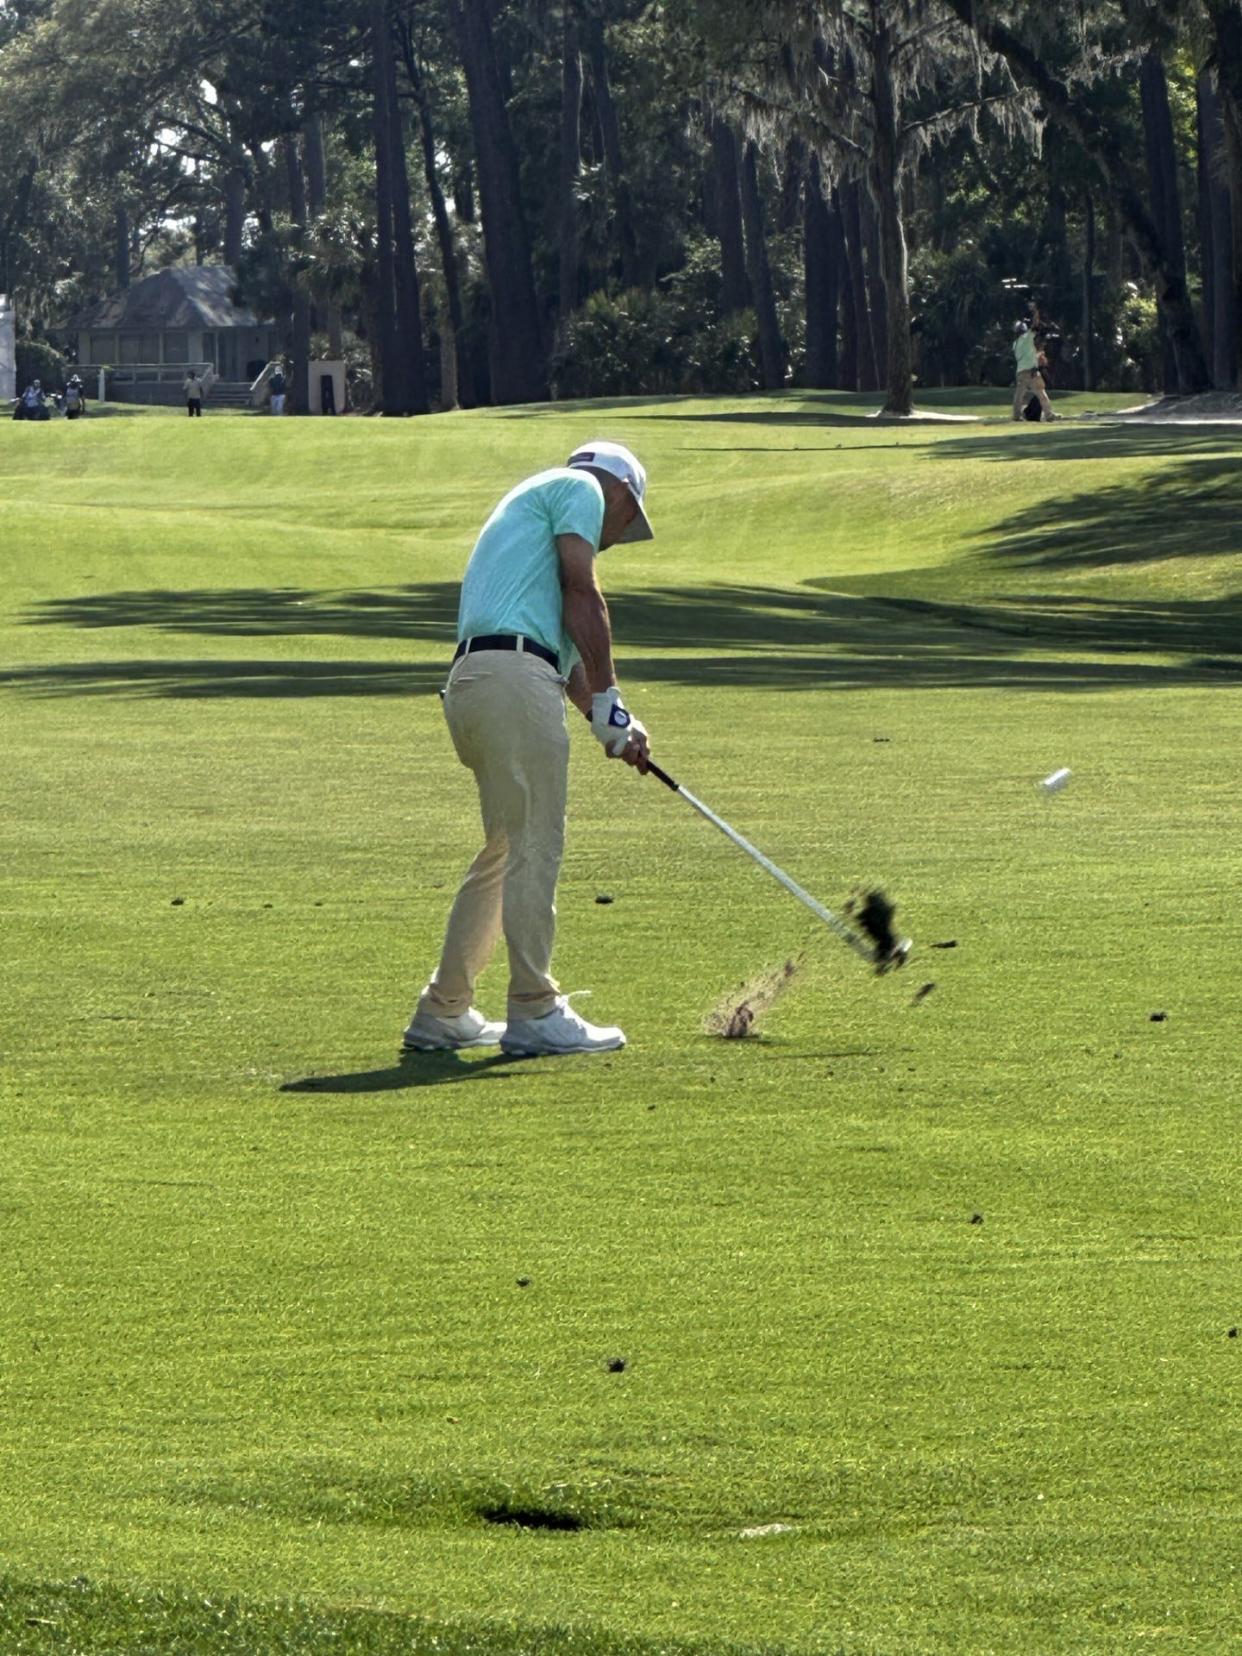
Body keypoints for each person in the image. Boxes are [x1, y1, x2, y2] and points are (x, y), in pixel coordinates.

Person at [402, 440, 654, 1059]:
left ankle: (444, 1009)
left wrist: (611, 723)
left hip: (480, 685)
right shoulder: (581, 489)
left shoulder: (530, 526)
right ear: (617, 489)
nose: (619, 536)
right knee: (536, 843)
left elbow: (565, 668)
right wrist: (613, 696)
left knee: (506, 848)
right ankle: (536, 1009)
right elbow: (582, 592)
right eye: (629, 520)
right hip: (512, 680)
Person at [1012, 321, 1055, 421]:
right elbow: (1034, 327)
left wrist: (1037, 355)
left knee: (1019, 396)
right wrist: (1035, 311)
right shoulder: (1026, 337)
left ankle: (1016, 416)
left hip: (1020, 372)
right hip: (1031, 372)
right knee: (1041, 394)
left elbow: (1027, 356)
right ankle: (1049, 415)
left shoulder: (1015, 343)